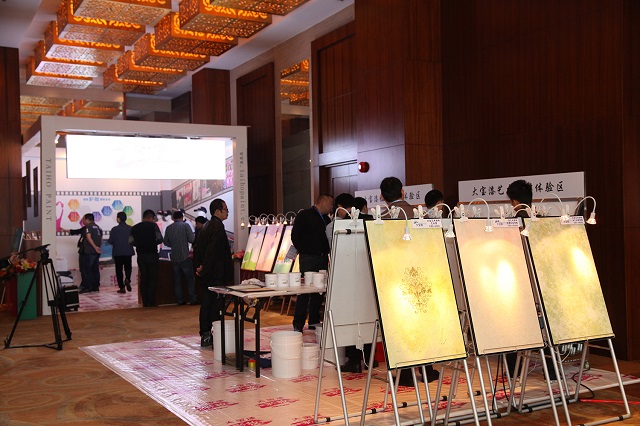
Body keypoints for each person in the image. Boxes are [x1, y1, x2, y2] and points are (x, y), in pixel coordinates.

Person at [193, 199, 233, 347]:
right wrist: (204, 269)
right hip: (215, 275)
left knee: (207, 304)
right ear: (217, 211)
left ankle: (206, 334)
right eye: (225, 209)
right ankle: (213, 335)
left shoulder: (207, 225)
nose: (227, 212)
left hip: (209, 274)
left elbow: (198, 249)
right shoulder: (217, 227)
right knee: (215, 306)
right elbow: (212, 252)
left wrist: (199, 267)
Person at [290, 194, 334, 332]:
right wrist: (304, 250)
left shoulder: (326, 219)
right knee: (305, 290)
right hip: (308, 258)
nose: (332, 206)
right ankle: (298, 323)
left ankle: (314, 321)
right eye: (330, 203)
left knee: (318, 291)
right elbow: (295, 235)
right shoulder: (305, 215)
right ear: (323, 202)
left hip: (322, 258)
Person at [163, 210, 197, 305]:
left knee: (177, 280)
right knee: (190, 279)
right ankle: (193, 299)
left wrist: (173, 244)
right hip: (185, 255)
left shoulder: (169, 228)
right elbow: (192, 239)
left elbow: (166, 242)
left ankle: (180, 300)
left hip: (174, 257)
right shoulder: (185, 225)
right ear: (182, 217)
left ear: (173, 218)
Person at [130, 209, 163, 307]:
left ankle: (145, 301)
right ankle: (151, 301)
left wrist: (140, 244)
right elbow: (159, 239)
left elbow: (130, 241)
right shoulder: (154, 226)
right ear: (151, 217)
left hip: (141, 255)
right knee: (152, 278)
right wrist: (151, 243)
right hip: (152, 254)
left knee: (143, 277)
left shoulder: (135, 227)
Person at [67, 213, 103, 294]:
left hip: (88, 252)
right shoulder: (98, 227)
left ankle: (87, 287)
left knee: (87, 270)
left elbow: (88, 237)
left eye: (83, 219)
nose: (82, 220)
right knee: (95, 269)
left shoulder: (88, 227)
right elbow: (101, 239)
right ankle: (95, 286)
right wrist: (98, 247)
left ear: (87, 219)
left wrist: (94, 247)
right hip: (96, 252)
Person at [108, 212, 134, 294]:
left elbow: (110, 241)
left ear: (118, 219)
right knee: (128, 268)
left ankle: (122, 287)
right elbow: (133, 240)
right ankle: (127, 279)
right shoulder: (131, 228)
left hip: (118, 252)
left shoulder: (114, 229)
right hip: (128, 251)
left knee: (119, 270)